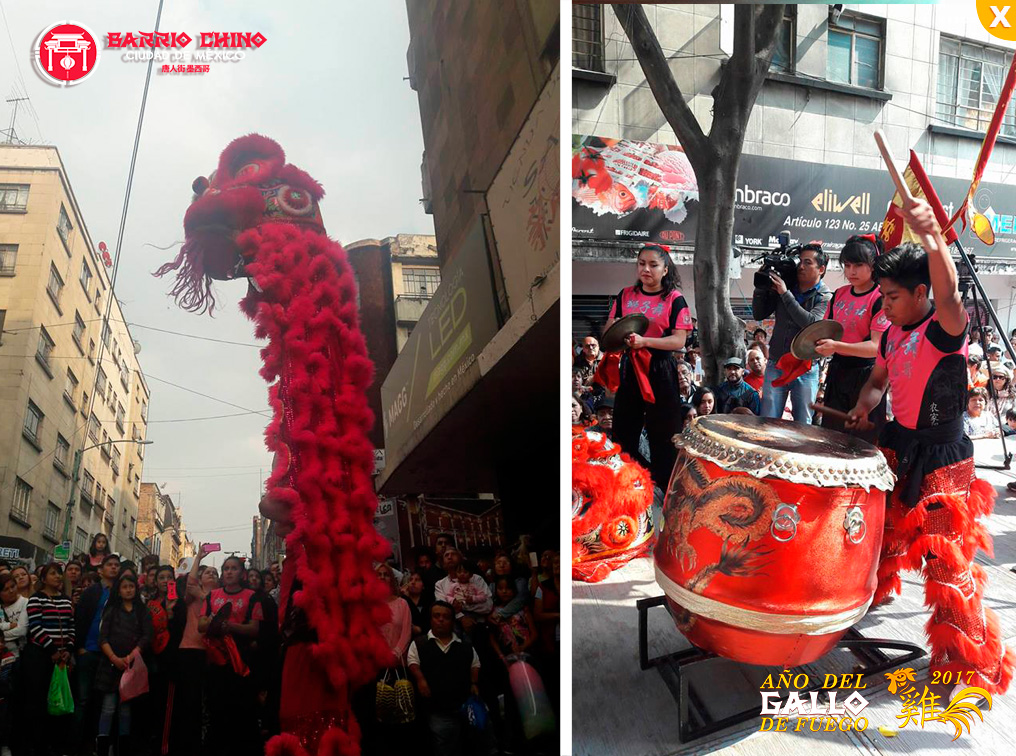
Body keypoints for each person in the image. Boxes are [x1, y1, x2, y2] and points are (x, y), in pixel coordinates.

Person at [846, 199, 1015, 699]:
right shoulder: (891, 335)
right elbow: (878, 382)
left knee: (944, 562)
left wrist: (933, 239)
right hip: (900, 443)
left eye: (893, 296)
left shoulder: (945, 331)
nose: (886, 305)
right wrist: (862, 405)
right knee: (887, 531)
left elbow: (950, 294)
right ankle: (873, 595)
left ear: (921, 293)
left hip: (943, 456)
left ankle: (968, 661)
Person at [604, 243, 693, 489]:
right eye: (642, 264)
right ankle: (626, 485)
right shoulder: (625, 295)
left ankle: (664, 488)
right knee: (624, 428)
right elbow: (608, 331)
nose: (646, 269)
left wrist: (645, 341)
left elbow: (679, 340)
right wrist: (619, 332)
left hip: (660, 367)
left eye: (653, 265)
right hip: (630, 366)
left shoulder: (675, 299)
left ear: (665, 269)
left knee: (664, 431)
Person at [813, 234, 891, 440]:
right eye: (847, 265)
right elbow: (825, 331)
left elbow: (876, 347)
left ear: (873, 265)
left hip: (868, 376)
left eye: (858, 264)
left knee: (862, 441)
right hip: (838, 373)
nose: (851, 271)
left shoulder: (880, 298)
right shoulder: (839, 294)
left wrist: (836, 346)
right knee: (833, 435)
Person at [753, 243, 833, 423]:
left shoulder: (824, 296)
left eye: (808, 262)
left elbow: (811, 324)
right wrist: (761, 287)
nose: (801, 266)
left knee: (802, 425)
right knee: (768, 420)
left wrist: (784, 293)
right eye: (800, 262)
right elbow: (759, 314)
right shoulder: (786, 284)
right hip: (776, 362)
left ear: (821, 269)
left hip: (805, 367)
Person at [407, 602, 494, 756]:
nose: (441, 620)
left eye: (446, 617)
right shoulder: (419, 643)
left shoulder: (464, 645)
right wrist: (420, 679)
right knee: (444, 746)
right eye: (436, 616)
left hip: (464, 706)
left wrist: (474, 683)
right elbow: (412, 661)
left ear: (452, 621)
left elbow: (475, 663)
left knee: (473, 743)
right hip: (437, 709)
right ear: (431, 619)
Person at [198, 555, 262, 755]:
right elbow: (201, 625)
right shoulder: (212, 595)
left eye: (234, 568)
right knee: (217, 708)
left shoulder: (253, 596)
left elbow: (254, 629)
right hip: (216, 661)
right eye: (226, 568)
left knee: (242, 711)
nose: (229, 572)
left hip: (241, 661)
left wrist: (230, 627)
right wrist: (213, 623)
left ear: (242, 573)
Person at [95, 574, 151, 755]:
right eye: (124, 587)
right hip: (110, 665)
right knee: (108, 707)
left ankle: (123, 747)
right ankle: (102, 746)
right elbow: (102, 637)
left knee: (125, 709)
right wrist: (114, 658)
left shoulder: (141, 611)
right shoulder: (111, 610)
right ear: (118, 591)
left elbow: (146, 636)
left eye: (131, 586)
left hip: (131, 666)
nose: (128, 590)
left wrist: (131, 656)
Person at [24, 563, 74, 756]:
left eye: (59, 574)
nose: (58, 577)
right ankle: (38, 745)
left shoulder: (66, 600)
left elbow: (71, 625)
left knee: (59, 701)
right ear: (43, 579)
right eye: (53, 574)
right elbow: (36, 627)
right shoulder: (36, 599)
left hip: (62, 658)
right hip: (40, 657)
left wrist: (68, 649)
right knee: (40, 701)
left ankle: (57, 744)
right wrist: (52, 649)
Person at [169, 544, 214, 755]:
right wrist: (198, 557)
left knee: (207, 702)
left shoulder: (220, 596)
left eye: (215, 573)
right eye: (208, 572)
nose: (212, 574)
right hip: (189, 650)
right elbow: (190, 582)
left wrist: (205, 595)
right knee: (188, 701)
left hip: (213, 654)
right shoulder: (191, 598)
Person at [74, 552, 120, 752]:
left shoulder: (121, 593)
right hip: (89, 651)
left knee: (103, 703)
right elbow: (80, 619)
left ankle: (97, 742)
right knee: (83, 700)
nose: (113, 568)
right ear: (101, 569)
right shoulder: (91, 592)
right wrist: (80, 647)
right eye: (109, 564)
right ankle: (77, 743)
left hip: (109, 655)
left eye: (116, 565)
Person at [401, 569, 430, 639]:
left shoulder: (428, 600)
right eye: (410, 580)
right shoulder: (402, 600)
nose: (413, 582)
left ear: (423, 585)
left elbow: (423, 623)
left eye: (417, 580)